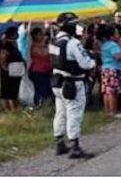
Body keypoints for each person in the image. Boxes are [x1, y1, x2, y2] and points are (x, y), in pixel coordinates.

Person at [50, 12, 97, 159]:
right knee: (74, 114)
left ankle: (59, 143)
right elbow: (85, 63)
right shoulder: (72, 43)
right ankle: (75, 146)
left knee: (60, 112)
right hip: (72, 83)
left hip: (57, 82)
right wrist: (93, 60)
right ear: (69, 26)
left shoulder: (53, 41)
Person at [0, 27, 25, 112]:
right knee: (8, 92)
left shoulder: (13, 44)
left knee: (14, 90)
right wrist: (6, 69)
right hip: (9, 72)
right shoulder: (6, 45)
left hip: (15, 70)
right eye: (16, 33)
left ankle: (14, 108)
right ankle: (9, 109)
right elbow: (3, 57)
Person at [29, 27, 53, 107]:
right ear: (35, 36)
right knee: (40, 90)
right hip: (38, 71)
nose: (43, 36)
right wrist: (46, 43)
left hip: (46, 70)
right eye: (40, 34)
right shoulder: (34, 47)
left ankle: (44, 104)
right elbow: (44, 54)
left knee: (47, 90)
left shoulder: (44, 45)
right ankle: (39, 105)